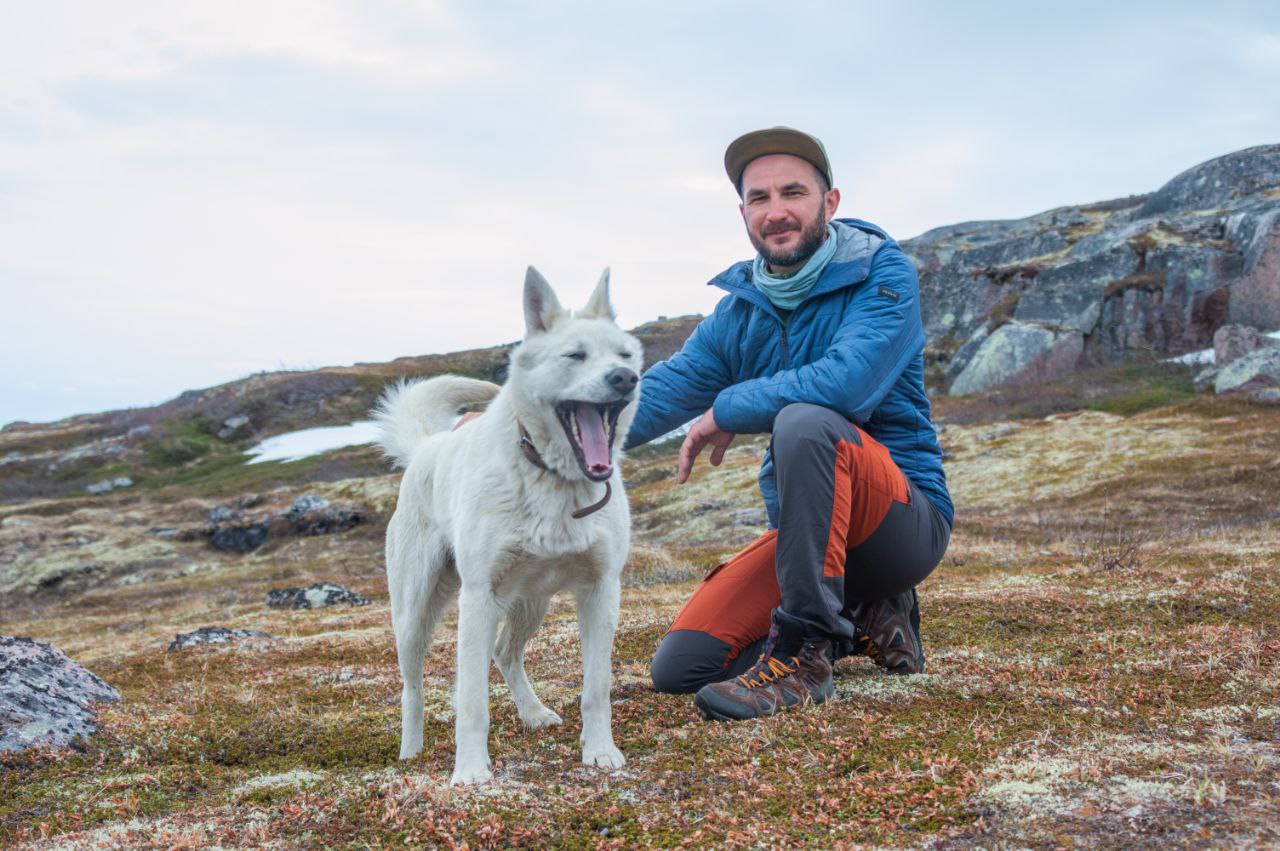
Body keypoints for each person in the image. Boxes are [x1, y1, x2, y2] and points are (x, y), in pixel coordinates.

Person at [623, 127, 953, 721]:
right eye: (759, 198)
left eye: (793, 193)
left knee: (806, 421)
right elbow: (655, 395)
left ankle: (806, 655)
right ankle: (863, 614)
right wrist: (519, 425)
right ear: (744, 212)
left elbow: (847, 384)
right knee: (681, 669)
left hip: (901, 523)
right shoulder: (739, 310)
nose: (776, 212)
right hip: (807, 543)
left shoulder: (882, 275)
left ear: (829, 203)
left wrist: (727, 408)